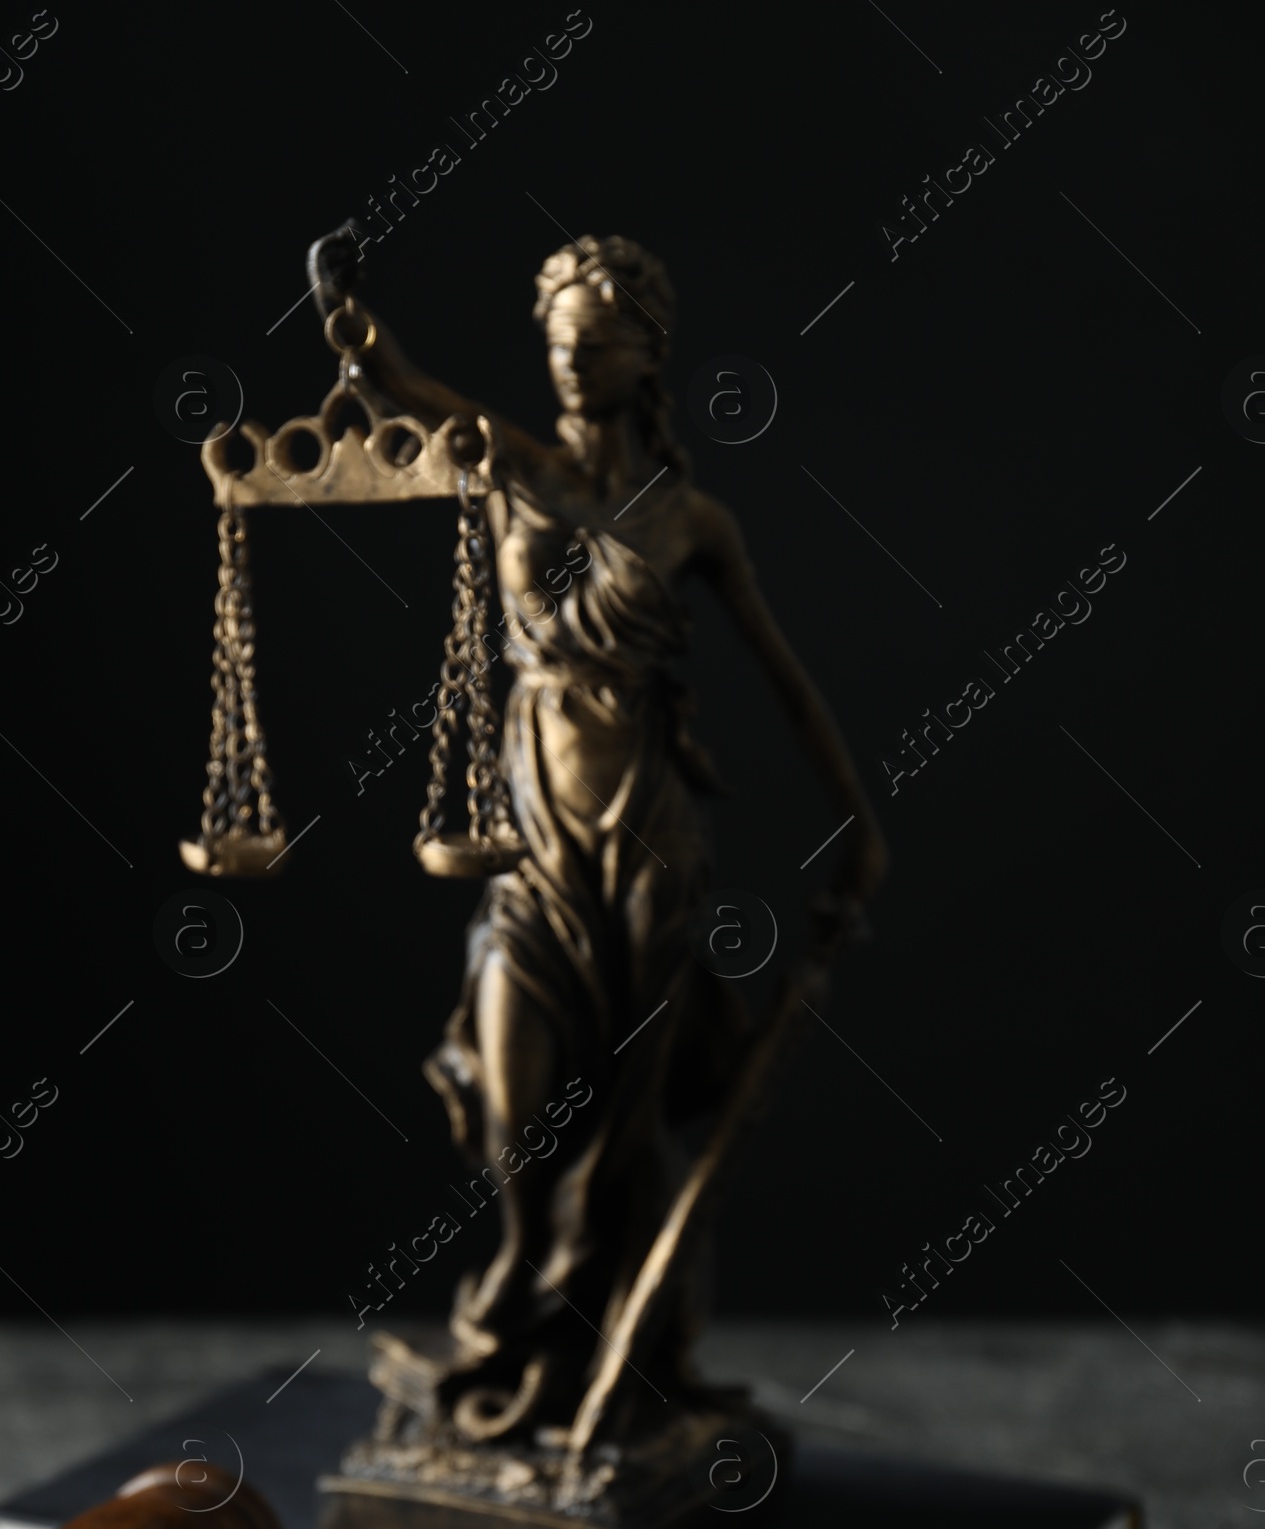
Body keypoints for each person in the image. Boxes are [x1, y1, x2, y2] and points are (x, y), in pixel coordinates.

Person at [310, 228, 884, 1449]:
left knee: (632, 1115)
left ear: (646, 354)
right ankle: (526, 1301)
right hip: (528, 844)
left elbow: (787, 684)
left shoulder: (693, 523)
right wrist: (354, 334)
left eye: (596, 343)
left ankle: (624, 1364)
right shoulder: (514, 466)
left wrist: (858, 822)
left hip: (646, 841)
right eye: (558, 343)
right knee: (515, 1107)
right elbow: (407, 393)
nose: (570, 362)